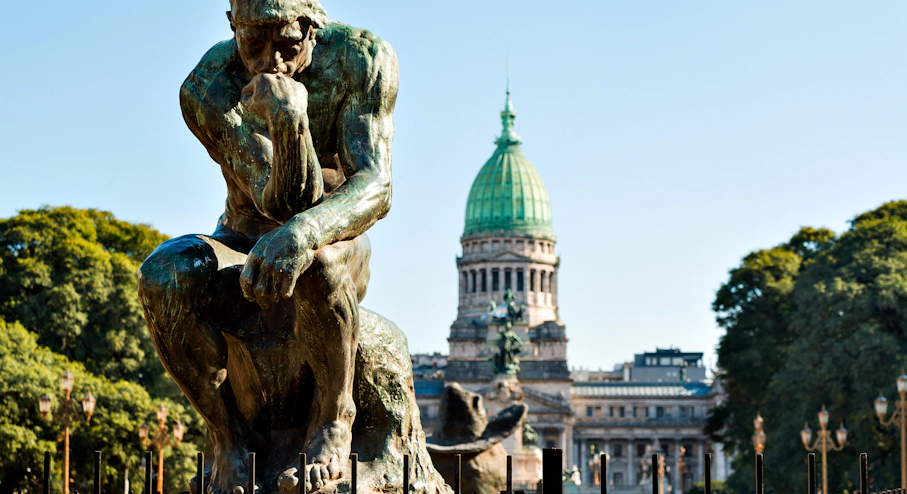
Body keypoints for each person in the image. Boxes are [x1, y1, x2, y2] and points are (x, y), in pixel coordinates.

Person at [136, 0, 398, 492]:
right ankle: (228, 436)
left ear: (313, 28)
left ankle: (333, 418)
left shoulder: (362, 59)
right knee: (163, 276)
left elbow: (375, 186)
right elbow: (277, 202)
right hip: (241, 237)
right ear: (233, 28)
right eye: (252, 45)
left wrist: (306, 231)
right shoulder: (207, 86)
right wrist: (286, 122)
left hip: (336, 236)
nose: (268, 62)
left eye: (286, 45)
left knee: (314, 260)